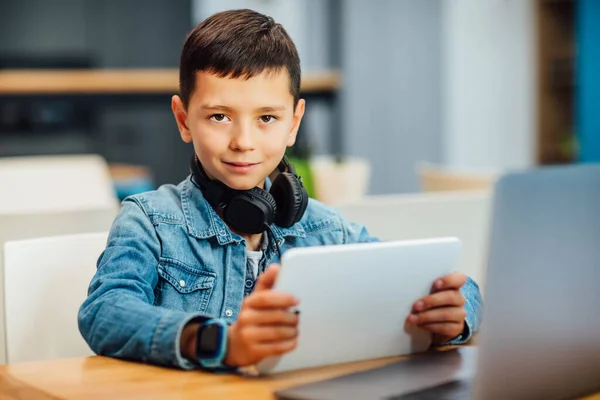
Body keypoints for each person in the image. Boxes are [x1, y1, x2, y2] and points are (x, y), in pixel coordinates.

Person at [78, 9, 482, 371]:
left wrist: (454, 314)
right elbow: (105, 312)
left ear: (294, 122)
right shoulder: (150, 221)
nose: (244, 141)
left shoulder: (323, 229)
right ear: (184, 120)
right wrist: (221, 342)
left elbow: (455, 286)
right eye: (219, 116)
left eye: (267, 118)